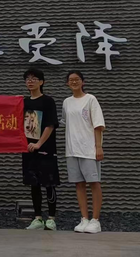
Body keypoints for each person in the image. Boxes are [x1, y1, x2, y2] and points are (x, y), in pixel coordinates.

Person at [62, 70, 105, 234]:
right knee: (79, 184)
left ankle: (95, 220)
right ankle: (84, 218)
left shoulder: (91, 99)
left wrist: (98, 147)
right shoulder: (66, 102)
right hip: (72, 149)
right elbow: (65, 122)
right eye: (71, 80)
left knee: (94, 183)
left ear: (83, 82)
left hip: (88, 149)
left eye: (77, 79)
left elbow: (98, 125)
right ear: (67, 83)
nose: (74, 82)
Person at [22, 68, 60, 231]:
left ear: (42, 82)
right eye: (28, 79)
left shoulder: (48, 101)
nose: (30, 81)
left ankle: (51, 219)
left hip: (46, 149)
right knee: (34, 184)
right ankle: (37, 218)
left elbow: (50, 125)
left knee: (49, 183)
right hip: (28, 149)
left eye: (34, 78)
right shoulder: (24, 102)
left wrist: (39, 143)